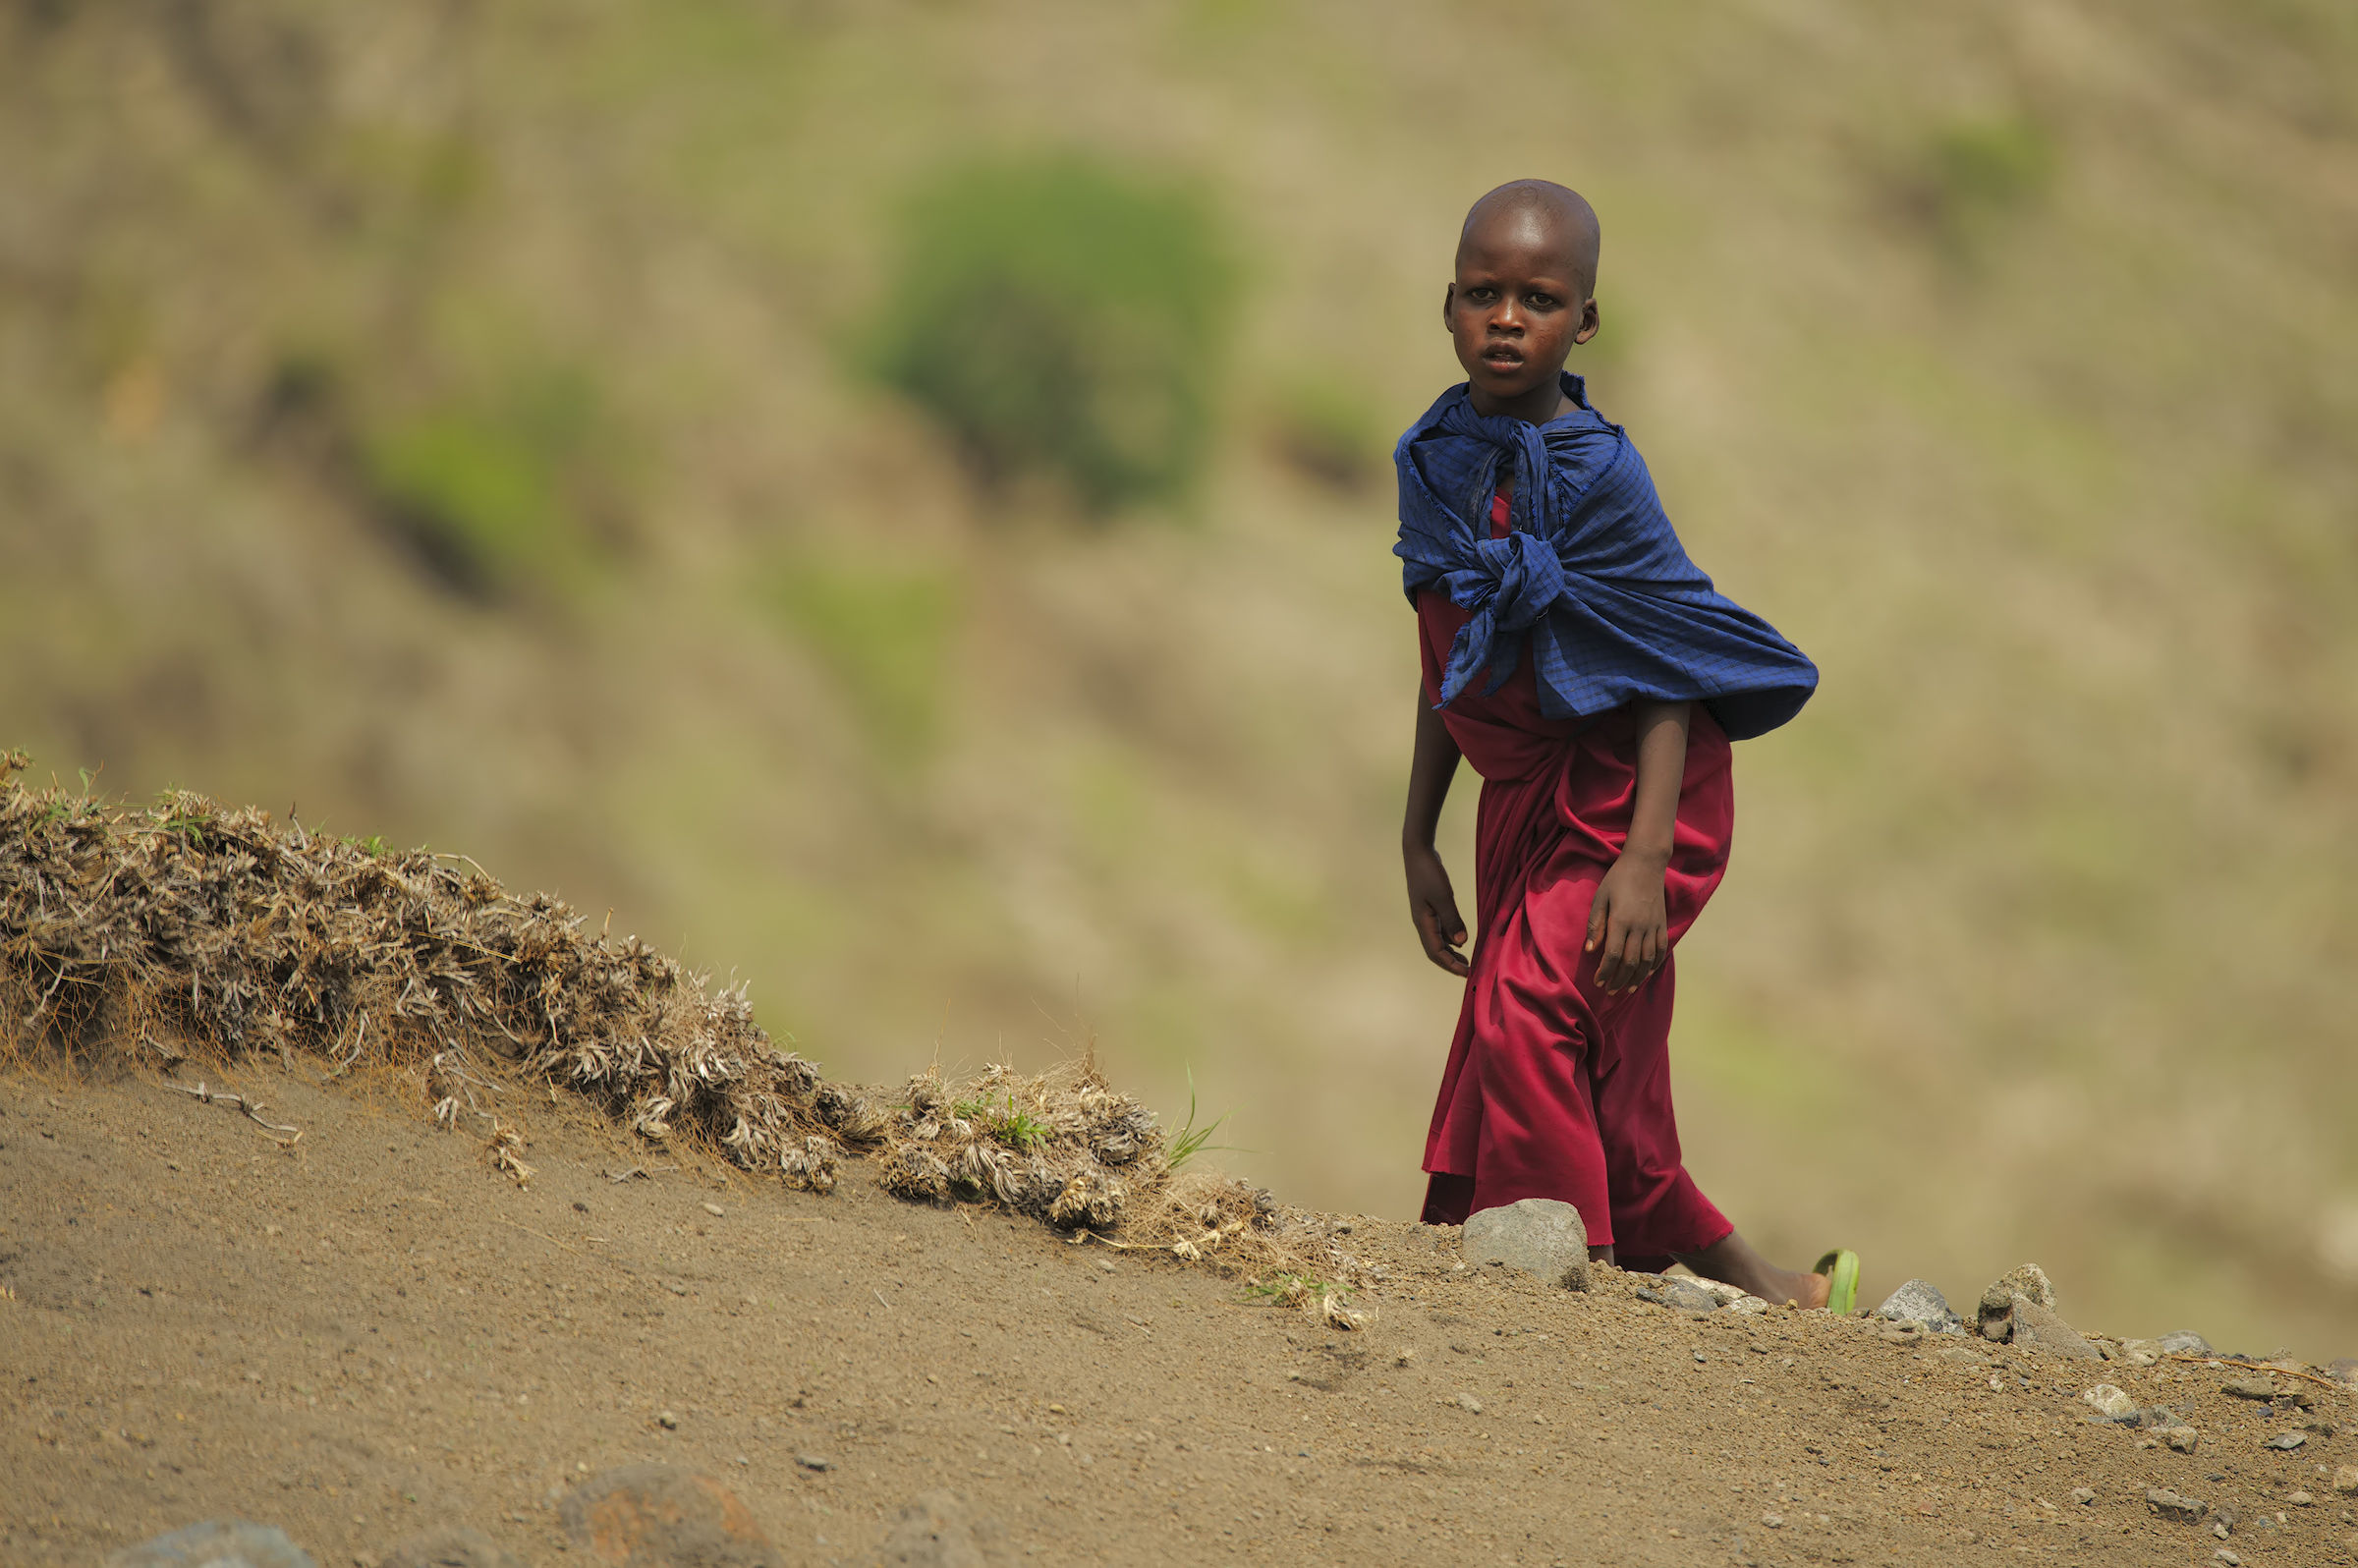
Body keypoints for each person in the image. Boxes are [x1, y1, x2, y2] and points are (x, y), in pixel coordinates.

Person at [1396, 180, 1854, 1312]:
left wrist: (1645, 861)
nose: (1508, 318)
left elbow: (1666, 669)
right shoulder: (1431, 457)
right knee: (1605, 1055)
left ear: (1584, 323)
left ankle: (1570, 1281)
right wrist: (1416, 834)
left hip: (1639, 790)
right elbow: (1446, 652)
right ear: (1446, 305)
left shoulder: (1602, 473)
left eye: (1540, 299)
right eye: (1484, 294)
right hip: (1520, 789)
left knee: (1534, 1002)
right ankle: (1774, 1288)